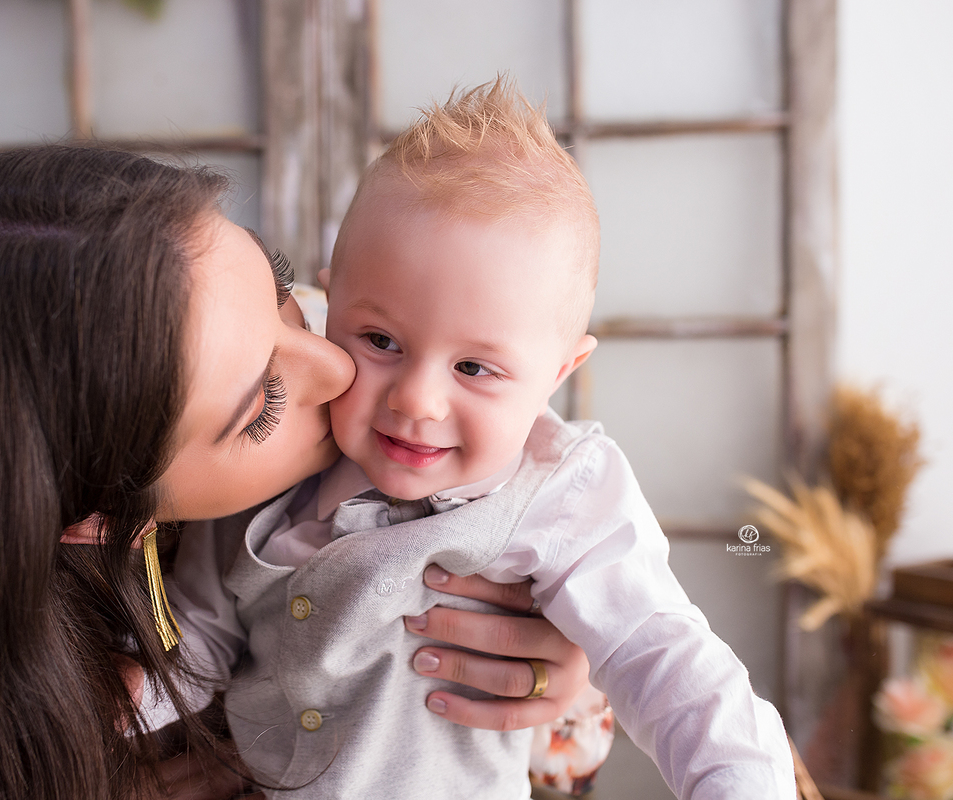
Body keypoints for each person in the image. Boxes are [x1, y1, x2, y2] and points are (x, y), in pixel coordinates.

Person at [0, 145, 590, 800]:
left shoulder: (390, 360)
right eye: (261, 405)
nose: (337, 365)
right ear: (99, 515)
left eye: (283, 288)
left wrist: (568, 671)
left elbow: (572, 758)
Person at [170, 79, 797, 798]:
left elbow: (666, 657)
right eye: (379, 340)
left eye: (475, 367)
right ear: (328, 305)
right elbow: (197, 632)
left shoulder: (562, 490)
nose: (416, 398)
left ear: (559, 373)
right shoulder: (270, 442)